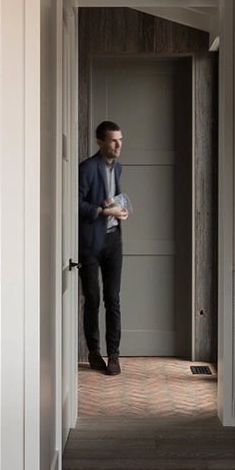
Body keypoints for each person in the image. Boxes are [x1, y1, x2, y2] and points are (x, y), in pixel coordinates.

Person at [78, 120, 129, 375]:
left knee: (113, 300)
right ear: (100, 142)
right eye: (113, 140)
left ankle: (114, 356)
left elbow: (114, 198)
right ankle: (94, 351)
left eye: (120, 139)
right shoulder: (87, 168)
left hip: (113, 241)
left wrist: (121, 210)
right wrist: (103, 211)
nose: (119, 145)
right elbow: (75, 204)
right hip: (89, 243)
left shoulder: (118, 168)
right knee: (93, 299)